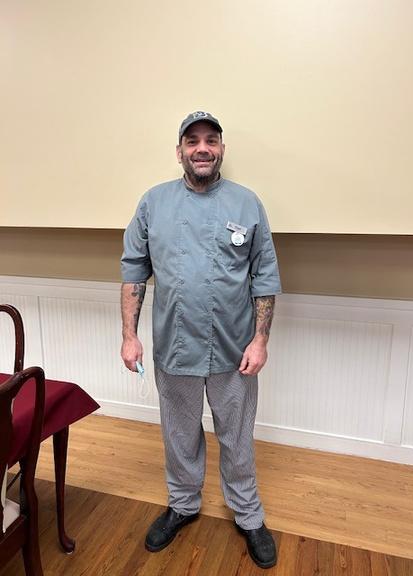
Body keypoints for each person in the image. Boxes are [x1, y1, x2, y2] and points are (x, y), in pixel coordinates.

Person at [120, 111, 281, 569]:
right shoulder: (153, 203)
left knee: (237, 436)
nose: (202, 148)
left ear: (222, 149)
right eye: (192, 141)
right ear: (180, 152)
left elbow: (265, 277)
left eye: (211, 140)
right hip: (175, 348)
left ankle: (248, 515)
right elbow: (134, 271)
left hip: (234, 350)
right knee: (179, 435)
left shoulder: (247, 203)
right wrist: (129, 336)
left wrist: (260, 340)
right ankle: (183, 504)